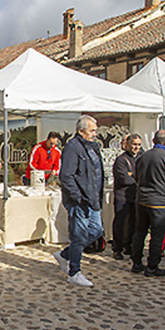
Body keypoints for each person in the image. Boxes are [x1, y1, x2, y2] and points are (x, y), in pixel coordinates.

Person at [56, 115, 103, 287]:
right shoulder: (73, 147)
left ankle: (66, 255)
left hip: (93, 199)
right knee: (79, 235)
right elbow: (66, 175)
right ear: (81, 131)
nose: (94, 134)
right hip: (80, 200)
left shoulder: (92, 147)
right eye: (91, 131)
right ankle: (74, 272)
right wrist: (77, 196)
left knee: (97, 231)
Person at [132, 130, 165, 277]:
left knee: (139, 233)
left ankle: (136, 263)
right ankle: (152, 266)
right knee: (157, 235)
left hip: (142, 199)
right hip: (159, 202)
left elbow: (136, 176)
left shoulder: (143, 156)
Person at [111, 134, 142, 261]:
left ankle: (129, 246)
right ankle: (117, 248)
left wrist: (133, 176)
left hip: (136, 196)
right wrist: (136, 178)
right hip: (122, 196)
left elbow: (142, 175)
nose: (136, 147)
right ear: (127, 145)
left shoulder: (141, 158)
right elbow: (124, 178)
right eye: (134, 144)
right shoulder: (121, 160)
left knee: (134, 223)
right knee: (121, 223)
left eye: (139, 145)